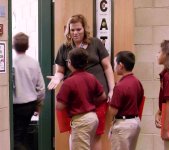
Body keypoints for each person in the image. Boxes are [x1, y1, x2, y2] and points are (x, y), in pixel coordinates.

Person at [48, 14, 115, 149]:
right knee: (76, 133)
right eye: (72, 30)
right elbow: (60, 71)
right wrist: (57, 77)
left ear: (84, 28)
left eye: (78, 29)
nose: (75, 33)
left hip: (97, 95)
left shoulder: (95, 43)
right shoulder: (64, 48)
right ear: (68, 30)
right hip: (76, 99)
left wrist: (113, 89)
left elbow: (107, 66)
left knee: (96, 134)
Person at [56, 48, 107, 150]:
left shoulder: (69, 82)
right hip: (93, 117)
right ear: (86, 62)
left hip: (81, 120)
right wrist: (88, 101)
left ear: (69, 63)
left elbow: (59, 106)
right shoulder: (91, 77)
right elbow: (103, 96)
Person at [12, 32, 45, 150]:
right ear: (27, 46)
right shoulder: (33, 63)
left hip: (13, 106)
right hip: (29, 106)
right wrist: (38, 105)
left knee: (15, 138)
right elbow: (41, 88)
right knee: (22, 134)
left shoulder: (11, 63)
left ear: (13, 46)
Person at [106, 51, 144, 150]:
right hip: (135, 122)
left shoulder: (120, 86)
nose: (114, 67)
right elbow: (140, 100)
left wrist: (110, 101)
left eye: (114, 64)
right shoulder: (137, 82)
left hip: (123, 126)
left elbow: (113, 111)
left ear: (121, 65)